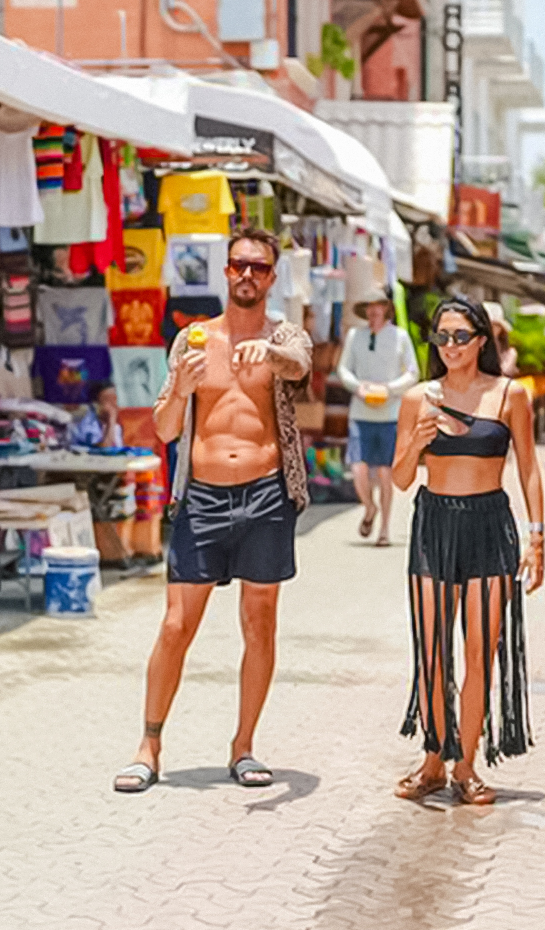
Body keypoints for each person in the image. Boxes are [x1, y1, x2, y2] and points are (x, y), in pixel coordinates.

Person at [114, 228, 312, 794]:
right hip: (201, 496)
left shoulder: (285, 335)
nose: (247, 275)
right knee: (177, 625)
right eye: (238, 265)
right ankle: (149, 744)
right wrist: (178, 388)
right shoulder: (193, 339)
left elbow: (299, 364)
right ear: (225, 272)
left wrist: (270, 355)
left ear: (272, 278)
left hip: (265, 493)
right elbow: (164, 427)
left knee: (260, 622)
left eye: (259, 267)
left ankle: (243, 745)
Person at [390, 296, 545, 805]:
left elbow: (528, 468)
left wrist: (537, 536)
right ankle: (433, 759)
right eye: (443, 337)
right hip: (434, 524)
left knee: (479, 652)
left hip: (488, 528)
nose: (451, 346)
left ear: (482, 340)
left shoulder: (509, 396)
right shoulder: (418, 398)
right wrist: (416, 441)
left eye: (461, 336)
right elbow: (400, 478)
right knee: (433, 652)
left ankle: (465, 766)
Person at [337, 289, 419, 547]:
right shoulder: (355, 336)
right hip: (361, 412)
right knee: (358, 468)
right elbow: (343, 368)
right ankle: (369, 507)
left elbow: (413, 372)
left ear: (385, 309)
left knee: (385, 472)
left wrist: (390, 389)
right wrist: (357, 387)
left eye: (378, 306)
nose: (374, 311)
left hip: (389, 413)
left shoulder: (400, 336)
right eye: (369, 306)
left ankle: (384, 528)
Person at [70, 382, 124, 449]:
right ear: (96, 404)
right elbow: (104, 450)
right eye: (107, 400)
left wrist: (111, 422)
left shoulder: (116, 426)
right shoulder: (87, 425)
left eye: (114, 399)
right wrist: (111, 421)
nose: (113, 403)